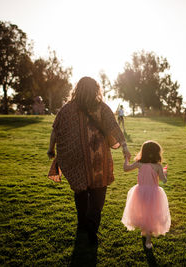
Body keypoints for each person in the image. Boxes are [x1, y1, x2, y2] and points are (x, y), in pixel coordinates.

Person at [47, 76, 131, 245]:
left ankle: (83, 225)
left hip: (75, 161)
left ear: (77, 89)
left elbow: (56, 131)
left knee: (81, 193)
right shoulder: (101, 108)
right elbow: (114, 128)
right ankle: (91, 228)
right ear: (95, 90)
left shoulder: (67, 109)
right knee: (98, 197)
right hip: (98, 160)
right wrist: (124, 147)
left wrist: (51, 149)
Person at [121, 140, 170, 249]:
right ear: (157, 153)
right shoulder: (157, 166)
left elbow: (126, 168)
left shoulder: (140, 164)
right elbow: (164, 181)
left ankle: (145, 233)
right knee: (150, 214)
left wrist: (126, 159)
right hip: (153, 193)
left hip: (140, 192)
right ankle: (148, 240)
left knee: (144, 212)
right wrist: (165, 174)